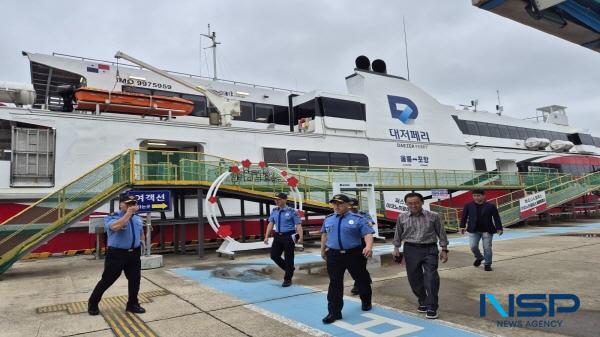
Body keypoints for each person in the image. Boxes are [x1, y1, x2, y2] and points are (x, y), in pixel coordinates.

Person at [392, 192, 449, 319]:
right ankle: (422, 300)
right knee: (414, 279)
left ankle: (432, 306)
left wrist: (444, 249)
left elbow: (441, 233)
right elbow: (398, 233)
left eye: (416, 202)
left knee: (431, 277)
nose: (413, 205)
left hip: (430, 249)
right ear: (406, 204)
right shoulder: (402, 217)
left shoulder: (434, 216)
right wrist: (396, 248)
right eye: (410, 203)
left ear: (422, 202)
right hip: (410, 249)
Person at [320, 194, 374, 324]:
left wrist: (368, 246)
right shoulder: (328, 219)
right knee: (335, 283)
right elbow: (324, 234)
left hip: (354, 254)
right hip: (334, 255)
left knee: (361, 279)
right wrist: (322, 249)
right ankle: (334, 312)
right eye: (334, 203)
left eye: (339, 203)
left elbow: (367, 233)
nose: (336, 206)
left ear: (347, 205)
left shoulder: (358, 219)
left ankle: (366, 301)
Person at [88, 194, 146, 315]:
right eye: (129, 203)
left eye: (134, 203)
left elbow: (141, 232)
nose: (132, 206)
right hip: (117, 254)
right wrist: (128, 214)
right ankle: (93, 303)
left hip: (134, 253)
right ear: (121, 204)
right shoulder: (112, 217)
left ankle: (133, 304)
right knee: (108, 280)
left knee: (135, 279)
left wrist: (141, 244)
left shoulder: (137, 218)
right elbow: (115, 227)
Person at [264, 192, 302, 287]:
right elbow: (270, 224)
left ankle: (287, 279)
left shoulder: (292, 211)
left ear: (285, 200)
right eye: (275, 199)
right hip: (278, 236)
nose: (276, 201)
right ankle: (289, 269)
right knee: (274, 255)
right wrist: (266, 236)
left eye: (279, 199)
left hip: (289, 236)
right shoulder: (274, 211)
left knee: (289, 258)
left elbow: (298, 225)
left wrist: (301, 237)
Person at [459, 189, 503, 271]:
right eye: (474, 196)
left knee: (487, 248)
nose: (476, 197)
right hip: (473, 230)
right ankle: (479, 257)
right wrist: (462, 226)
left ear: (483, 196)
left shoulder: (491, 206)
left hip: (487, 230)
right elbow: (464, 217)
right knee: (473, 247)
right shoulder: (468, 205)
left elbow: (496, 218)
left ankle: (487, 264)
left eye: (478, 195)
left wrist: (499, 228)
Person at [349, 197, 374, 296]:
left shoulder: (363, 214)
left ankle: (358, 285)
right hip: (351, 242)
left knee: (361, 264)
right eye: (350, 206)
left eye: (354, 206)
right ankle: (366, 279)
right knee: (352, 265)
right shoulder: (345, 215)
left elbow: (370, 224)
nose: (352, 208)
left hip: (363, 242)